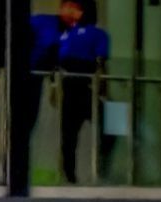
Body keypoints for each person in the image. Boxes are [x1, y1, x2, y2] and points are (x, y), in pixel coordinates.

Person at [29, 1, 110, 183]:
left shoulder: (76, 35)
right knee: (68, 135)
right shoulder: (51, 27)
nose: (73, 12)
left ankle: (75, 173)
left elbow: (97, 64)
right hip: (70, 87)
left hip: (75, 89)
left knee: (71, 135)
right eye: (69, 6)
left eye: (78, 9)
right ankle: (71, 174)